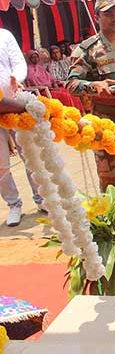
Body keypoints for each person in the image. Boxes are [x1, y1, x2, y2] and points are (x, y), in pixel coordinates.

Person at [66, 0, 115, 192]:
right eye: (108, 13)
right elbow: (70, 84)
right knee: (108, 179)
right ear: (97, 17)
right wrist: (95, 85)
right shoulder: (88, 49)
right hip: (104, 123)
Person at [0, 28, 44, 226]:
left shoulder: (5, 35)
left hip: (15, 103)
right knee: (1, 165)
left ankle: (42, 198)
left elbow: (18, 61)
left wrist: (16, 79)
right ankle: (14, 205)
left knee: (31, 156)